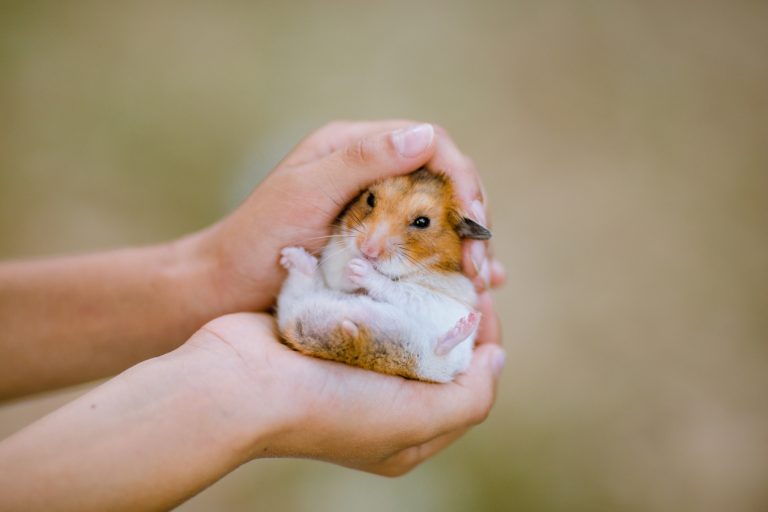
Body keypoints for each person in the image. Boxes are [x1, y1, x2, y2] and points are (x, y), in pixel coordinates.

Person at [0, 121, 506, 511]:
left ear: (461, 233)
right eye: (370, 203)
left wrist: (213, 278)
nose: (373, 239)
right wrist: (244, 392)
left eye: (418, 222)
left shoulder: (442, 275)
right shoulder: (342, 246)